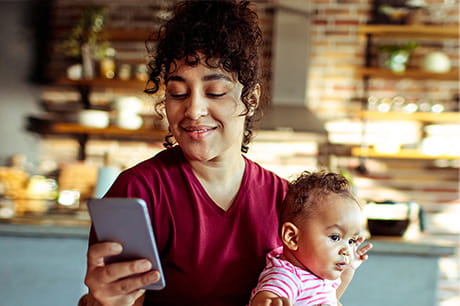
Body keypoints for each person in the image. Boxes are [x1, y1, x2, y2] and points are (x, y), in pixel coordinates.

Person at [79, 1, 369, 305]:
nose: (194, 110)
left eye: (215, 92)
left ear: (251, 99)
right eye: (178, 93)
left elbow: (309, 292)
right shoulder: (138, 191)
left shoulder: (287, 201)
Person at [249, 171, 372, 306]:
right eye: (335, 237)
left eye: (351, 241)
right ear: (292, 237)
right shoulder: (288, 276)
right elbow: (268, 295)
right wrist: (268, 301)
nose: (347, 250)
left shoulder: (317, 272)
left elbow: (332, 297)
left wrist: (350, 268)